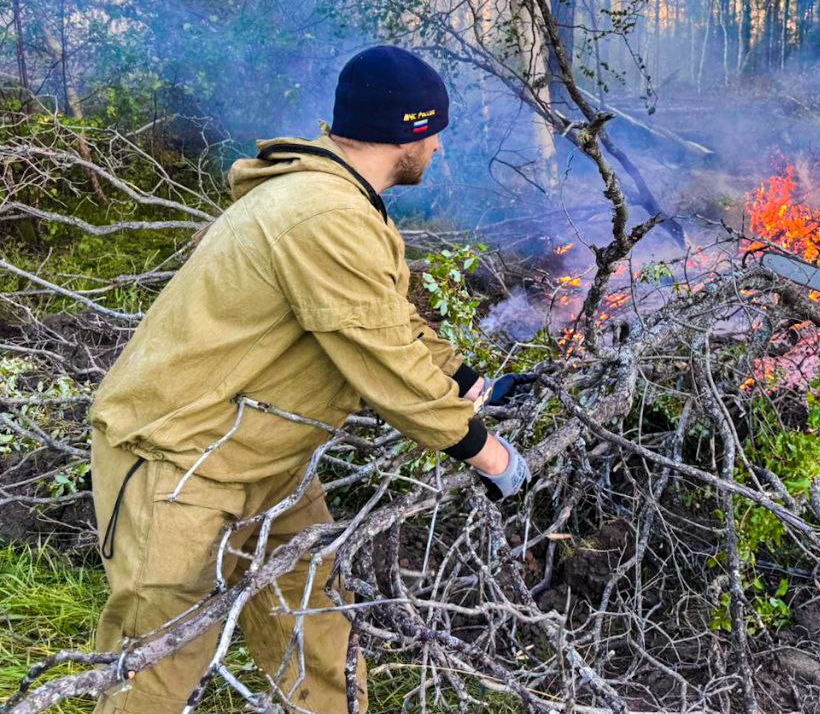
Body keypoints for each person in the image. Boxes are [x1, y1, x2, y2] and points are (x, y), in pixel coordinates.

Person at [89, 45, 531, 713]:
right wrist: (491, 456)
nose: (439, 147)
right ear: (404, 132)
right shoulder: (321, 213)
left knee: (321, 646)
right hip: (178, 461)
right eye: (433, 130)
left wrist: (469, 379)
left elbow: (386, 318)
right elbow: (387, 367)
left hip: (268, 461)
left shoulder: (341, 200)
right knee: (156, 670)